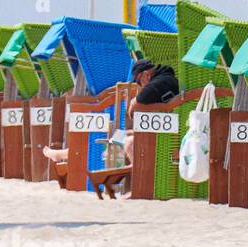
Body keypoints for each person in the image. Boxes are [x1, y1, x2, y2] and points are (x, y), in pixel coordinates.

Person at [40, 59, 181, 169]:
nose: (139, 86)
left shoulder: (163, 81)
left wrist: (133, 102)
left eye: (138, 82)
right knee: (117, 137)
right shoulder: (165, 80)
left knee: (121, 142)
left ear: (146, 75)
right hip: (160, 133)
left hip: (163, 137)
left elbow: (139, 102)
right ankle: (65, 154)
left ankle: (64, 155)